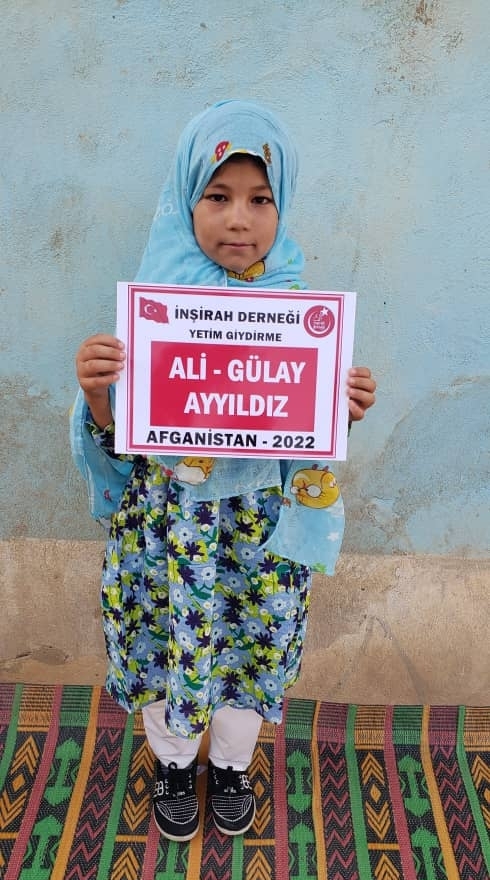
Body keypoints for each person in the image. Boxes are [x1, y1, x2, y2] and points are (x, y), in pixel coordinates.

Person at [71, 100, 376, 842]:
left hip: (256, 532)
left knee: (251, 645)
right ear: (186, 200)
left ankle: (233, 766)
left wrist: (339, 409)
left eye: (260, 199)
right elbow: (120, 445)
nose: (239, 219)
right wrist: (98, 393)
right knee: (161, 639)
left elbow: (299, 439)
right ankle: (175, 764)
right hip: (166, 528)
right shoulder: (150, 314)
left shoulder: (296, 313)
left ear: (282, 205)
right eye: (217, 195)